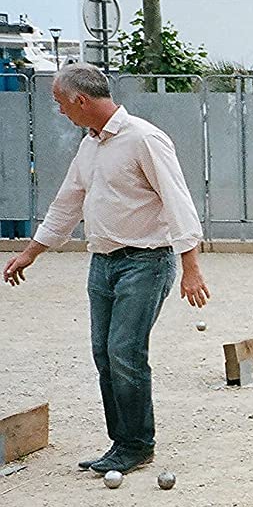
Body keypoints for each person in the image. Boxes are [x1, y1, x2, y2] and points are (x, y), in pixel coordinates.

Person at [2, 62, 211, 475]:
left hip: (146, 261)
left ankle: (137, 444)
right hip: (103, 262)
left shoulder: (144, 139)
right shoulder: (90, 146)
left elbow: (177, 200)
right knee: (104, 353)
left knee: (125, 351)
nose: (60, 110)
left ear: (80, 99)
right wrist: (31, 253)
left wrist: (191, 267)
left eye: (61, 102)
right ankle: (122, 441)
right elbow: (67, 203)